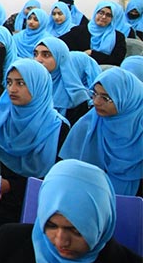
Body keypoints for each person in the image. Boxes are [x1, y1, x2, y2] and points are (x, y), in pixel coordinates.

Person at [0, 159, 142, 263]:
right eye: (50, 226)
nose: (61, 241)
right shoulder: (9, 243)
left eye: (76, 231)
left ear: (101, 224)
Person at [0, 58, 70, 225]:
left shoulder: (57, 128)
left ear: (38, 85)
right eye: (9, 82)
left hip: (36, 204)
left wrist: (11, 186)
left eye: (21, 83)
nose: (12, 89)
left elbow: (57, 180)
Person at [59, 66, 143, 196]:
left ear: (128, 100)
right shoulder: (87, 124)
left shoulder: (139, 133)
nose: (96, 102)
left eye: (106, 98)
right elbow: (65, 173)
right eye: (94, 94)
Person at [34, 37, 91, 126]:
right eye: (35, 54)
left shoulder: (77, 97)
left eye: (46, 55)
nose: (38, 60)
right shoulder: (30, 85)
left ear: (60, 58)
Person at [84, 1, 127, 65]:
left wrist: (92, 53)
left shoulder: (118, 37)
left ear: (113, 19)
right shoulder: (80, 31)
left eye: (108, 15)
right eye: (101, 13)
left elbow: (117, 60)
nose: (104, 17)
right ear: (95, 13)